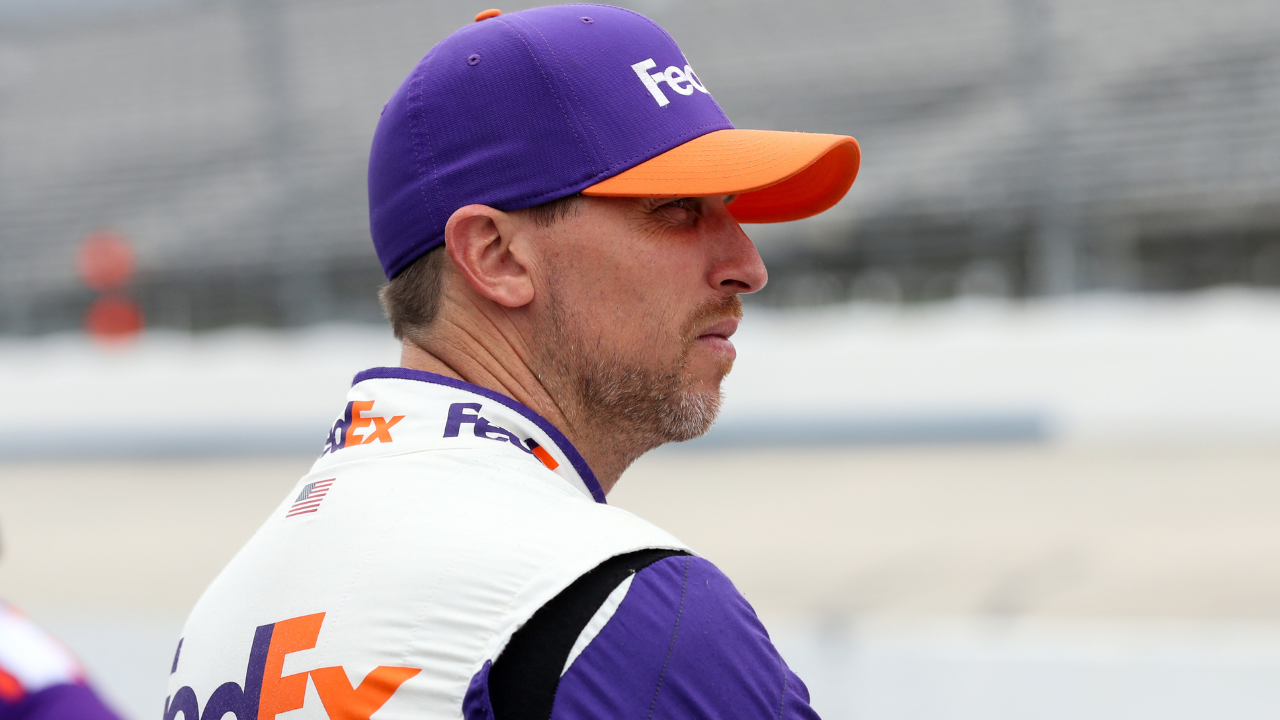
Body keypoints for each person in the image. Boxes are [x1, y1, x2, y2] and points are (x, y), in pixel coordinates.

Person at [167, 5, 859, 719]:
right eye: (678, 207)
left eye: (730, 205)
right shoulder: (623, 607)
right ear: (496, 256)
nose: (747, 265)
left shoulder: (225, 615)